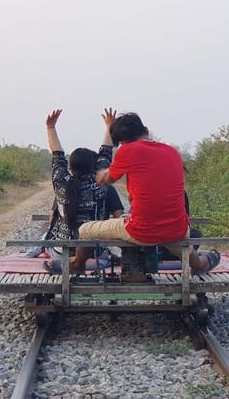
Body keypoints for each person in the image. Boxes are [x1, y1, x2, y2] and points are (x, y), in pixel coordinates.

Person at [73, 112, 219, 275]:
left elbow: (106, 178)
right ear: (146, 130)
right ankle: (199, 264)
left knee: (85, 230)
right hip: (176, 229)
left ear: (122, 142)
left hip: (141, 231)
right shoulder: (173, 152)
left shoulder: (127, 150)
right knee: (179, 239)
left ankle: (78, 264)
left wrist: (100, 172)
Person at [43, 108, 117, 248]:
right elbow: (105, 154)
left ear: (70, 167)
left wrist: (50, 127)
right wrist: (109, 126)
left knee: (46, 236)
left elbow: (57, 155)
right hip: (96, 254)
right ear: (94, 167)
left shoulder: (61, 183)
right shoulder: (100, 184)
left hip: (61, 253)